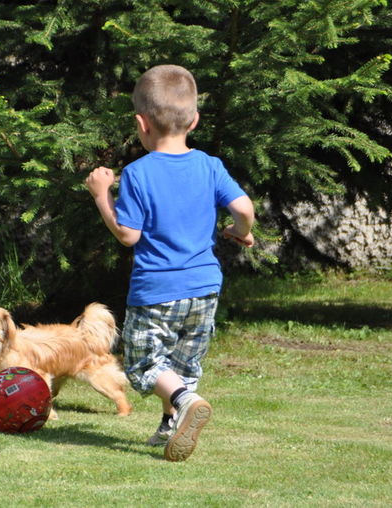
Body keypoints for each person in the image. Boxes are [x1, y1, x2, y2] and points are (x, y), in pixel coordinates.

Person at [85, 64, 255, 461]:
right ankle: (170, 423)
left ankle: (184, 401)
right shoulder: (210, 165)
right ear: (194, 120)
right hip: (204, 288)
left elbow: (128, 235)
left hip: (157, 289)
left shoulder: (138, 173)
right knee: (182, 361)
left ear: (141, 124)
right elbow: (244, 208)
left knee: (145, 363)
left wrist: (101, 195)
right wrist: (240, 230)